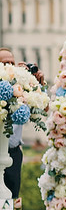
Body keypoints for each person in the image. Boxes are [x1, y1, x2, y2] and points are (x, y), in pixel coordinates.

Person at [0, 48, 46, 199]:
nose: (9, 66)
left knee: (12, 198)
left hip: (13, 153)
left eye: (11, 63)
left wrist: (38, 85)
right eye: (4, 63)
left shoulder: (21, 86)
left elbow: (44, 108)